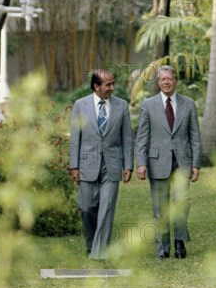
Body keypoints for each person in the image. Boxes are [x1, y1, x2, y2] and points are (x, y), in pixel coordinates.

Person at [136, 65, 201, 260]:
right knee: (160, 207)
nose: (166, 82)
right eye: (162, 79)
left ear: (175, 81)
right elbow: (142, 137)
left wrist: (196, 164)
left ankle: (179, 242)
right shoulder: (148, 105)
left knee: (182, 202)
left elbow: (195, 136)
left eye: (169, 79)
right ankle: (162, 248)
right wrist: (141, 163)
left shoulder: (188, 104)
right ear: (158, 83)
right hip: (157, 162)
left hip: (182, 161)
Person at [69, 69, 133, 260]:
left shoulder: (122, 106)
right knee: (87, 208)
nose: (112, 88)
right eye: (108, 85)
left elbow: (127, 138)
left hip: (112, 165)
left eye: (113, 84)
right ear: (96, 86)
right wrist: (74, 166)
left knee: (106, 208)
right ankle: (91, 246)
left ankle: (99, 253)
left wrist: (128, 165)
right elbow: (75, 139)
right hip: (87, 163)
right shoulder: (80, 106)